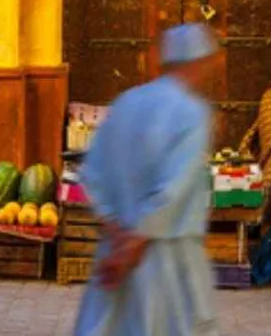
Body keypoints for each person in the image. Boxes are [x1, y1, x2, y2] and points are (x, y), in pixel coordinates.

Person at [73, 23, 222, 336]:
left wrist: (116, 234)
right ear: (199, 62)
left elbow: (93, 172)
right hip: (167, 259)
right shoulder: (192, 113)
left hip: (116, 251)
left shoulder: (127, 102)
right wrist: (136, 242)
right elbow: (174, 188)